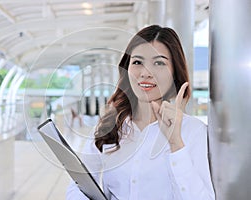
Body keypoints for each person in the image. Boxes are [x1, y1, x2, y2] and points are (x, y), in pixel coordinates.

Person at [66, 25, 215, 200]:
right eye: (137, 62)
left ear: (175, 72)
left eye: (159, 63)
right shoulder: (110, 126)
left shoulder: (194, 132)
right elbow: (78, 185)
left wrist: (176, 144)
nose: (145, 73)